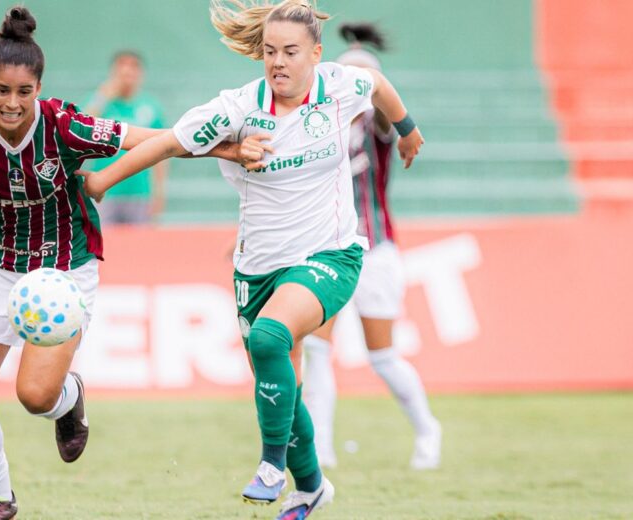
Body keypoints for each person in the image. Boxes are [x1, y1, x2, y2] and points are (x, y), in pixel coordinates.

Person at [0, 7, 246, 518]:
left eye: (23, 92)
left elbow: (150, 140)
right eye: (1, 90)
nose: (11, 103)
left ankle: (69, 401)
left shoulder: (62, 125)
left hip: (63, 268)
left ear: (37, 89)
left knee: (35, 395)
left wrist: (228, 150)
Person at [80, 1, 424, 517]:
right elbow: (169, 144)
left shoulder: (340, 85)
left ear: (315, 54)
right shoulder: (237, 109)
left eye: (290, 52)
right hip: (257, 268)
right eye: (269, 52)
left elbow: (379, 87)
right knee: (286, 388)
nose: (278, 62)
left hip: (331, 254)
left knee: (270, 336)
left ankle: (270, 465)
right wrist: (103, 181)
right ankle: (311, 488)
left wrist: (407, 129)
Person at [301, 22, 442, 471]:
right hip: (327, 248)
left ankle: (426, 429)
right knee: (317, 349)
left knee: (382, 356)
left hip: (375, 248)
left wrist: (376, 87)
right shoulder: (317, 125)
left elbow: (385, 108)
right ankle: (320, 448)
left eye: (363, 78)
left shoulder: (380, 123)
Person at [85, 51, 170, 224]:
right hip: (105, 191)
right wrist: (102, 97)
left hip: (140, 193)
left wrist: (159, 194)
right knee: (102, 244)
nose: (127, 73)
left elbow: (163, 152)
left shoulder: (151, 107)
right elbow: (82, 130)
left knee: (139, 247)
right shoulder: (101, 104)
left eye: (133, 68)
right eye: (122, 68)